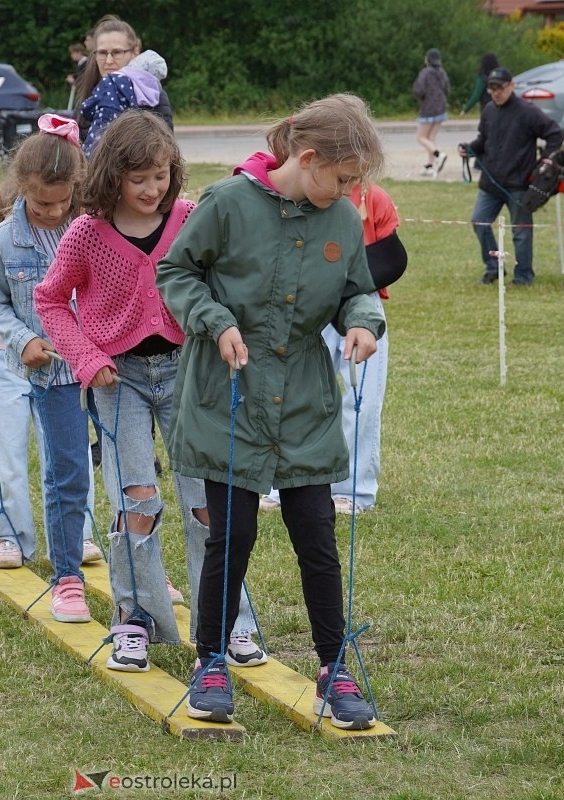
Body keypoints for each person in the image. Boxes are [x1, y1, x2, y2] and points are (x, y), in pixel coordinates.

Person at [156, 94, 386, 728]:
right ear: (307, 158)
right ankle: (210, 662)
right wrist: (214, 319)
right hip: (229, 395)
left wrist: (364, 322)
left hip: (305, 403)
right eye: (342, 178)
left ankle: (334, 666)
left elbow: (358, 290)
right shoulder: (226, 204)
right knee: (232, 537)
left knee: (316, 537)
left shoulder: (340, 218)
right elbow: (176, 272)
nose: (349, 192)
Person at [35, 110, 263, 674]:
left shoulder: (187, 218)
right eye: (139, 180)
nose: (152, 189)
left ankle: (230, 620)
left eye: (161, 176)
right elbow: (49, 301)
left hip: (188, 374)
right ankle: (134, 619)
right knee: (137, 501)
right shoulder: (87, 233)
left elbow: (223, 278)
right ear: (114, 176)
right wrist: (86, 358)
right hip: (120, 381)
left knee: (206, 505)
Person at [0, 183, 104, 570]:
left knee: (69, 450)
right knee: (6, 447)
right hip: (2, 355)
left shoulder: (72, 232)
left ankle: (77, 534)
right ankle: (8, 535)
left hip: (58, 358)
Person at [0, 114, 95, 623]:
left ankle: (142, 569)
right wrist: (23, 339)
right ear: (20, 188)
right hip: (54, 375)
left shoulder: (94, 228)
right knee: (66, 472)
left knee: (127, 472)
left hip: (110, 368)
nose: (51, 211)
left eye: (61, 200)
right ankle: (67, 576)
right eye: (40, 201)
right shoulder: (4, 240)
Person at [259, 183, 408, 517]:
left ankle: (353, 490)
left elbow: (393, 257)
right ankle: (281, 486)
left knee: (362, 401)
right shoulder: (290, 193)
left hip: (362, 305)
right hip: (306, 301)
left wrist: (350, 286)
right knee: (294, 396)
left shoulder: (372, 196)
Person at [458, 67, 563, 286]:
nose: (496, 92)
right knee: (479, 222)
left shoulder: (528, 112)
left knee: (521, 233)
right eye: (492, 88)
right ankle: (494, 267)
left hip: (519, 185)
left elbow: (555, 133)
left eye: (501, 88)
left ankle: (524, 275)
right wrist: (469, 149)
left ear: (512, 86)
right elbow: (483, 140)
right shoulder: (488, 110)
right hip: (490, 184)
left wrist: (545, 161)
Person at [75, 16, 173, 154]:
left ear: (135, 52)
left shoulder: (152, 96)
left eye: (117, 52)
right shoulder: (87, 98)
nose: (108, 61)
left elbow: (166, 154)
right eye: (102, 53)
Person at [413, 47, 450, 176]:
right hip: (441, 108)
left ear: (428, 59)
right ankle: (430, 165)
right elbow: (447, 88)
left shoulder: (426, 72)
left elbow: (419, 90)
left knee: (421, 137)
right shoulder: (442, 72)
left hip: (428, 109)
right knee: (431, 137)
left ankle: (439, 154)